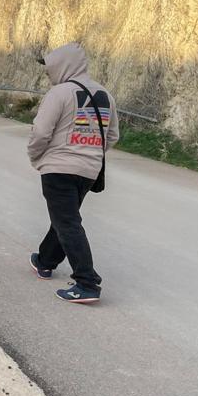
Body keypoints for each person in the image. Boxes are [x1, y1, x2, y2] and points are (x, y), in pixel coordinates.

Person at [26, 42, 119, 303]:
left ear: (63, 65)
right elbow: (112, 136)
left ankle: (87, 282)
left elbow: (41, 132)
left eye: (50, 68)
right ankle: (45, 261)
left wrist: (36, 157)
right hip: (88, 171)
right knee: (66, 217)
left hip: (58, 167)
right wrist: (88, 154)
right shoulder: (105, 95)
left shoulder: (60, 93)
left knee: (67, 222)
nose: (48, 73)